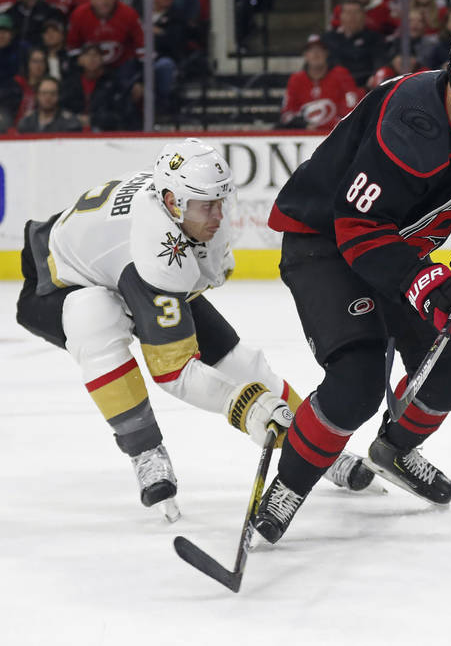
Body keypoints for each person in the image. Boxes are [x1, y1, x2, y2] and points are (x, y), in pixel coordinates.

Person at [254, 11, 451, 543]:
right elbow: (358, 228)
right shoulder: (411, 121)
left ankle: (394, 450)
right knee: (355, 385)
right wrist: (429, 287)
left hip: (396, 249)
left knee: (447, 381)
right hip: (326, 243)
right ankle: (288, 485)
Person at [13, 139, 373, 519]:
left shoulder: (182, 216)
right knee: (94, 316)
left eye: (221, 201)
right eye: (208, 205)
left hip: (124, 267)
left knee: (243, 364)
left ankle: (314, 446)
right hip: (57, 285)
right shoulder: (151, 248)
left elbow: (192, 291)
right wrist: (247, 407)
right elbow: (172, 371)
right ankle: (145, 451)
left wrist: (251, 389)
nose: (218, 215)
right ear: (172, 201)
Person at [278, 34, 363, 133]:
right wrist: (304, 125)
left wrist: (329, 125)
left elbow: (352, 106)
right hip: (305, 135)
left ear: (326, 53)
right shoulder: (296, 79)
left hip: (336, 133)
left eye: (320, 50)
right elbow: (286, 113)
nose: (316, 54)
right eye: (311, 50)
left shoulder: (341, 74)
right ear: (305, 55)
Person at [322, 0, 385, 88]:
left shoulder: (375, 38)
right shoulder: (329, 39)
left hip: (365, 86)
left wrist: (375, 75)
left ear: (364, 16)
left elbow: (379, 61)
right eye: (348, 13)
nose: (352, 17)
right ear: (340, 16)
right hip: (336, 87)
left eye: (356, 12)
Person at [16, 75, 82, 132]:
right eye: (44, 93)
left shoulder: (69, 123)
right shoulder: (27, 122)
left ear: (59, 96)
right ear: (37, 95)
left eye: (52, 94)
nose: (48, 98)